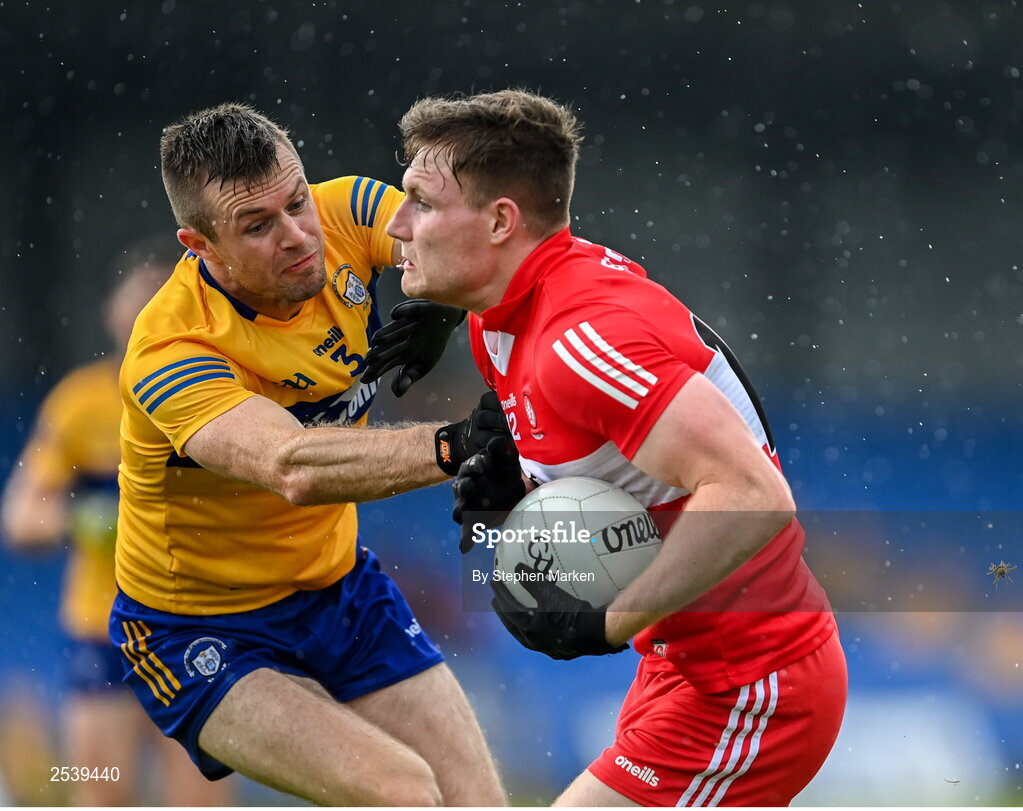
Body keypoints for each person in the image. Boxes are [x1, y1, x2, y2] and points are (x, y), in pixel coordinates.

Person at [374, 89, 848, 807]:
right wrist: (521, 479)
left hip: (751, 682)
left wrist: (604, 620)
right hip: (680, 669)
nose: (398, 223)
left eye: (423, 202)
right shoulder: (503, 320)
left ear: (501, 220)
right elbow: (629, 470)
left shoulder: (578, 339)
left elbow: (754, 496)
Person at [109, 102, 507, 806]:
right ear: (199, 245)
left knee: (474, 797)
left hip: (339, 587)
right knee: (404, 789)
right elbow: (291, 465)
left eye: (296, 202)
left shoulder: (349, 209)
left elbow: (475, 236)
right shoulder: (170, 347)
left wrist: (448, 299)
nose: (297, 236)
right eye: (257, 227)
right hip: (197, 626)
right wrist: (460, 444)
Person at [1, 252, 232, 806]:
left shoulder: (220, 394)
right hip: (104, 636)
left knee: (200, 802)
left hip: (196, 629)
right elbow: (19, 518)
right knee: (101, 794)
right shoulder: (79, 404)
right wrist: (83, 518)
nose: (152, 315)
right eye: (140, 302)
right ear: (111, 313)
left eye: (166, 301)